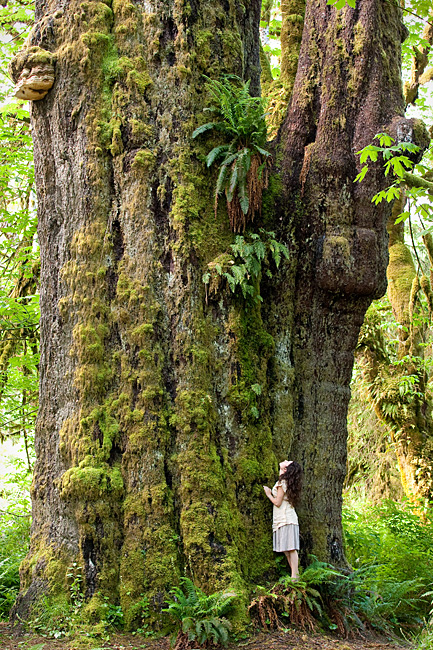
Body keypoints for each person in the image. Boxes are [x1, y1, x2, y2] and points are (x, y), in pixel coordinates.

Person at [263, 460, 303, 579]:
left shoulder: (283, 483)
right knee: (286, 549)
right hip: (283, 518)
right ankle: (296, 575)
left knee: (290, 548)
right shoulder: (286, 481)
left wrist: (269, 494)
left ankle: (294, 577)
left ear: (286, 469)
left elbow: (278, 502)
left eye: (287, 462)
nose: (285, 460)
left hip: (286, 518)